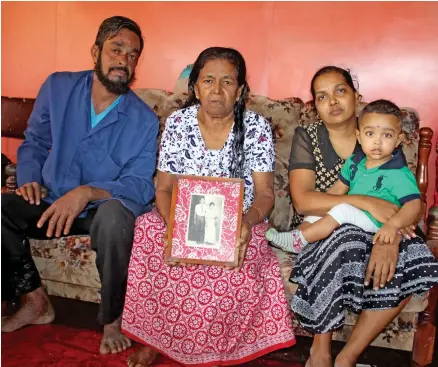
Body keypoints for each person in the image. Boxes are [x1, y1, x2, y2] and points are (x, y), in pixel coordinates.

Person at [121, 47, 296, 367]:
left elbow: (266, 195)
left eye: (227, 81)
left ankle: (224, 350)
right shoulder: (178, 123)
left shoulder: (255, 128)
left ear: (240, 90)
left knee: (235, 253)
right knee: (147, 229)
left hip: (240, 220)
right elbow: (163, 188)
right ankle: (154, 340)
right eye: (208, 80)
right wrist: (176, 225)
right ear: (196, 87)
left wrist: (244, 223)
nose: (217, 90)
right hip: (183, 217)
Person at [1, 16, 159, 355]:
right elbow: (35, 139)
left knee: (116, 218)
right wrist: (29, 178)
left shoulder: (143, 120)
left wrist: (87, 192)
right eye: (116, 50)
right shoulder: (58, 87)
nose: (124, 61)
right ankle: (34, 301)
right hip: (53, 199)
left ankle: (112, 319)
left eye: (132, 55)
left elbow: (138, 184)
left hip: (99, 211)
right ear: (96, 51)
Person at [285, 66, 438, 367]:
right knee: (343, 238)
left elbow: (403, 203)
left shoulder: (380, 130)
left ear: (356, 95)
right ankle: (321, 348)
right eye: (321, 96)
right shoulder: (309, 136)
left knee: (410, 261)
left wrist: (391, 234)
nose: (332, 101)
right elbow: (304, 202)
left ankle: (349, 355)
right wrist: (364, 202)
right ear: (314, 104)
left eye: (340, 91)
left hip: (383, 227)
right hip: (332, 225)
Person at [266, 99, 422, 253]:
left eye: (387, 135)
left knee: (342, 210)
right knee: (321, 209)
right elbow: (337, 190)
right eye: (370, 134)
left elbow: (414, 205)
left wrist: (393, 225)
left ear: (398, 140)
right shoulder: (354, 162)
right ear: (359, 137)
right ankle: (300, 235)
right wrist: (318, 210)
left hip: (378, 223)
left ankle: (299, 242)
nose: (377, 142)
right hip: (357, 216)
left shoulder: (399, 172)